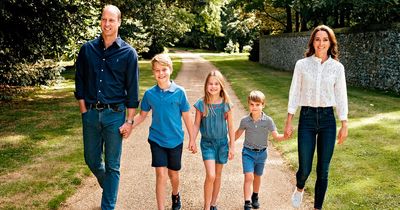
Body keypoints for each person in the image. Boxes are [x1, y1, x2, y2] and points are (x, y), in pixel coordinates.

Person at [74, 5, 139, 210]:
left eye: (111, 20)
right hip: (91, 114)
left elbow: (133, 91)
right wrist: (84, 111)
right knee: (91, 159)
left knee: (113, 165)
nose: (107, 24)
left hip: (115, 116)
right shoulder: (87, 50)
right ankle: (110, 188)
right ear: (100, 21)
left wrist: (129, 121)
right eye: (104, 19)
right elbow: (80, 82)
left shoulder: (129, 53)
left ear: (119, 22)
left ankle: (108, 206)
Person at [284, 25, 348, 210]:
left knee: (323, 171)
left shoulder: (337, 68)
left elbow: (341, 96)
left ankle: (317, 207)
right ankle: (300, 187)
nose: (321, 43)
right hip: (307, 118)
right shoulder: (302, 65)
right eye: (318, 39)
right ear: (312, 41)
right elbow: (294, 93)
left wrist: (344, 123)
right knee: (305, 168)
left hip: (328, 119)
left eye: (325, 39)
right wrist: (289, 121)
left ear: (331, 43)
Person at [126, 53, 196, 210]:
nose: (161, 73)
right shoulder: (150, 94)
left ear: (170, 69)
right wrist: (129, 125)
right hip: (157, 139)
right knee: (161, 174)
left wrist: (192, 138)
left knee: (173, 175)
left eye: (164, 69)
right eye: (157, 70)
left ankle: (175, 194)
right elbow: (142, 115)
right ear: (153, 72)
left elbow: (187, 116)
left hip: (175, 140)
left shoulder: (180, 92)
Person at [235, 90, 286, 210]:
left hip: (262, 154)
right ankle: (247, 202)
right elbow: (237, 134)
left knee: (257, 176)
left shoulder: (268, 121)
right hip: (248, 153)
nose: (254, 107)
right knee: (249, 177)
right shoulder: (245, 121)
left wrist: (285, 136)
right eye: (252, 104)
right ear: (248, 105)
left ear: (263, 105)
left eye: (257, 104)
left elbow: (276, 136)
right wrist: (228, 144)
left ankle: (255, 196)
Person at [192, 70, 235, 210]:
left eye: (216, 84)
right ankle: (206, 206)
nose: (213, 86)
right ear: (206, 85)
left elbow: (231, 126)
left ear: (221, 86)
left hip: (222, 143)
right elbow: (196, 124)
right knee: (210, 175)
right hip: (207, 143)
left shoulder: (226, 104)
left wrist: (232, 146)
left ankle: (213, 203)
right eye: (210, 83)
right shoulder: (201, 104)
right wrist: (192, 140)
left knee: (217, 175)